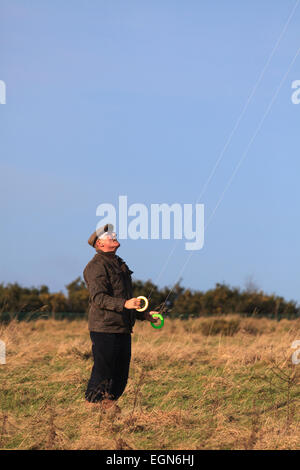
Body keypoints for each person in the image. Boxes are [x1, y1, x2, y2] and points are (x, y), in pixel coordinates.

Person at [83, 224, 159, 411]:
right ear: (100, 244)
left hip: (123, 327)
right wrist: (124, 304)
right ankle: (93, 404)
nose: (114, 236)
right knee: (103, 369)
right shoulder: (95, 266)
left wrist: (144, 314)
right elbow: (99, 298)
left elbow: (127, 300)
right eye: (109, 236)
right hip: (104, 328)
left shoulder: (119, 263)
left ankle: (108, 404)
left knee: (121, 373)